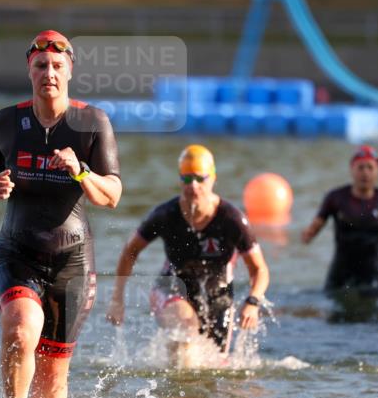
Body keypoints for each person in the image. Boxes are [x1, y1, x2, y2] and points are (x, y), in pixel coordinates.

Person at [0, 30, 122, 398]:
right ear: (30, 71)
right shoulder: (6, 122)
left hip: (72, 262)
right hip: (16, 252)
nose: (49, 73)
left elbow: (113, 196)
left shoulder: (92, 122)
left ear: (70, 71)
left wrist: (81, 171)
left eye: (58, 65)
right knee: (22, 329)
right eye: (41, 66)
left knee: (52, 380)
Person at [106, 145, 270, 356]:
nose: (193, 186)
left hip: (218, 296)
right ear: (179, 180)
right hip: (171, 288)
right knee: (186, 332)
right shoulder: (165, 215)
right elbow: (130, 251)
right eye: (186, 179)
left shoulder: (232, 220)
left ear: (213, 179)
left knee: (216, 367)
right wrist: (117, 299)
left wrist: (253, 301)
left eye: (200, 179)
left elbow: (259, 270)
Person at [300, 145, 378, 293]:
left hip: (373, 273)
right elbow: (317, 224)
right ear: (352, 169)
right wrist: (308, 235)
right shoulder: (336, 198)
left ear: (377, 170)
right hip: (340, 273)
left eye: (370, 168)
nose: (365, 173)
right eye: (360, 168)